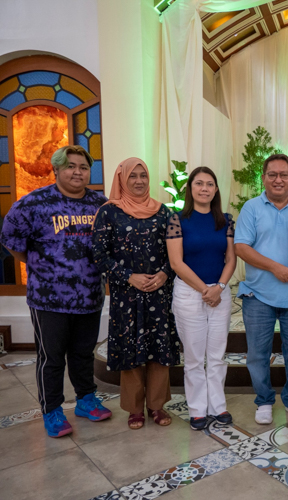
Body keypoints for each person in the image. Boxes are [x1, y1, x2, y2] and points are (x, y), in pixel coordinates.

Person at [0, 145, 111, 438]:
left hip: (90, 296)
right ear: (57, 170)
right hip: (49, 299)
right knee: (51, 358)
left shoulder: (101, 204)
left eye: (83, 167)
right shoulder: (34, 203)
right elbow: (9, 236)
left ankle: (86, 400)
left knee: (83, 353)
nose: (78, 172)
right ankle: (52, 410)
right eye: (71, 166)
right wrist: (35, 262)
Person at [93, 158, 179, 430]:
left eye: (143, 175)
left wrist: (165, 273)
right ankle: (134, 409)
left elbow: (176, 253)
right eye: (133, 176)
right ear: (122, 180)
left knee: (158, 349)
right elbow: (98, 254)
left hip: (158, 292)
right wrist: (129, 276)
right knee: (131, 351)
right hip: (125, 296)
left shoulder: (163, 212)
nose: (139, 181)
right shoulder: (108, 212)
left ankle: (156, 405)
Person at [235, 154, 288, 425]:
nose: (278, 179)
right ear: (264, 178)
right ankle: (264, 400)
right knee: (258, 353)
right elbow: (241, 248)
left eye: (284, 174)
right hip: (258, 294)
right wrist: (275, 268)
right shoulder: (251, 208)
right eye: (272, 174)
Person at [167, 167, 237, 431]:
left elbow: (230, 258)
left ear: (216, 189)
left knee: (217, 355)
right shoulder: (177, 219)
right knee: (195, 357)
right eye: (199, 183)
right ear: (191, 188)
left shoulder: (226, 219)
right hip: (189, 293)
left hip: (220, 292)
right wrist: (204, 290)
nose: (204, 188)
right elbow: (176, 262)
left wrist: (218, 287)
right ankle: (197, 409)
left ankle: (218, 406)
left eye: (210, 184)